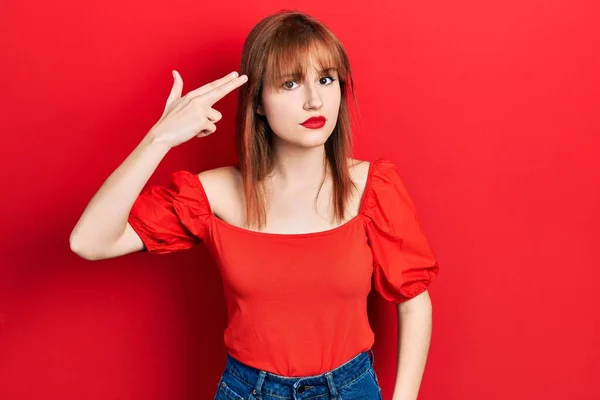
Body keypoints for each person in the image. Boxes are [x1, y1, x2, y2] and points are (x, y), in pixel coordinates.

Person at [70, 9, 439, 400]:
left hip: (350, 389)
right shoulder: (215, 194)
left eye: (326, 79)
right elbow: (89, 242)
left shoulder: (371, 186)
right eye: (290, 83)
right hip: (250, 390)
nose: (315, 100)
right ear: (258, 102)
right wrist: (158, 140)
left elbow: (415, 303)